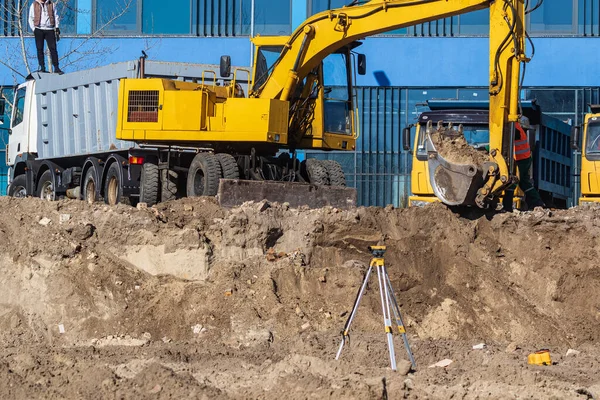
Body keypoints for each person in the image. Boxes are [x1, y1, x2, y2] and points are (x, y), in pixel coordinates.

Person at [502, 117, 545, 211]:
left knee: (512, 181)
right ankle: (536, 203)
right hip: (524, 158)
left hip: (519, 159)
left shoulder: (514, 128)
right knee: (524, 183)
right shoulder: (517, 128)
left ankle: (507, 207)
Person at [28, 0, 63, 74]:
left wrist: (57, 27)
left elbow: (56, 16)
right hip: (39, 29)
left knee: (53, 49)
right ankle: (42, 67)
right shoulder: (34, 5)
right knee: (39, 49)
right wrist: (34, 29)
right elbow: (30, 18)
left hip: (49, 29)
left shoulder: (51, 4)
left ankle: (56, 68)